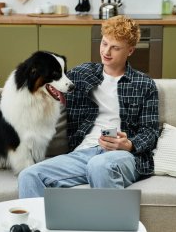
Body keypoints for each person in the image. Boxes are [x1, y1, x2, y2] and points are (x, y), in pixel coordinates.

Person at [18, 15, 159, 198]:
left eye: (115, 47)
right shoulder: (81, 74)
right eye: (104, 43)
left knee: (99, 165)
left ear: (130, 51)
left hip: (122, 156)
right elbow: (47, 83)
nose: (106, 52)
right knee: (28, 175)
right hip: (83, 153)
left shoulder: (144, 83)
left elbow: (151, 132)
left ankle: (111, 226)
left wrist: (129, 144)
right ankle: (36, 227)